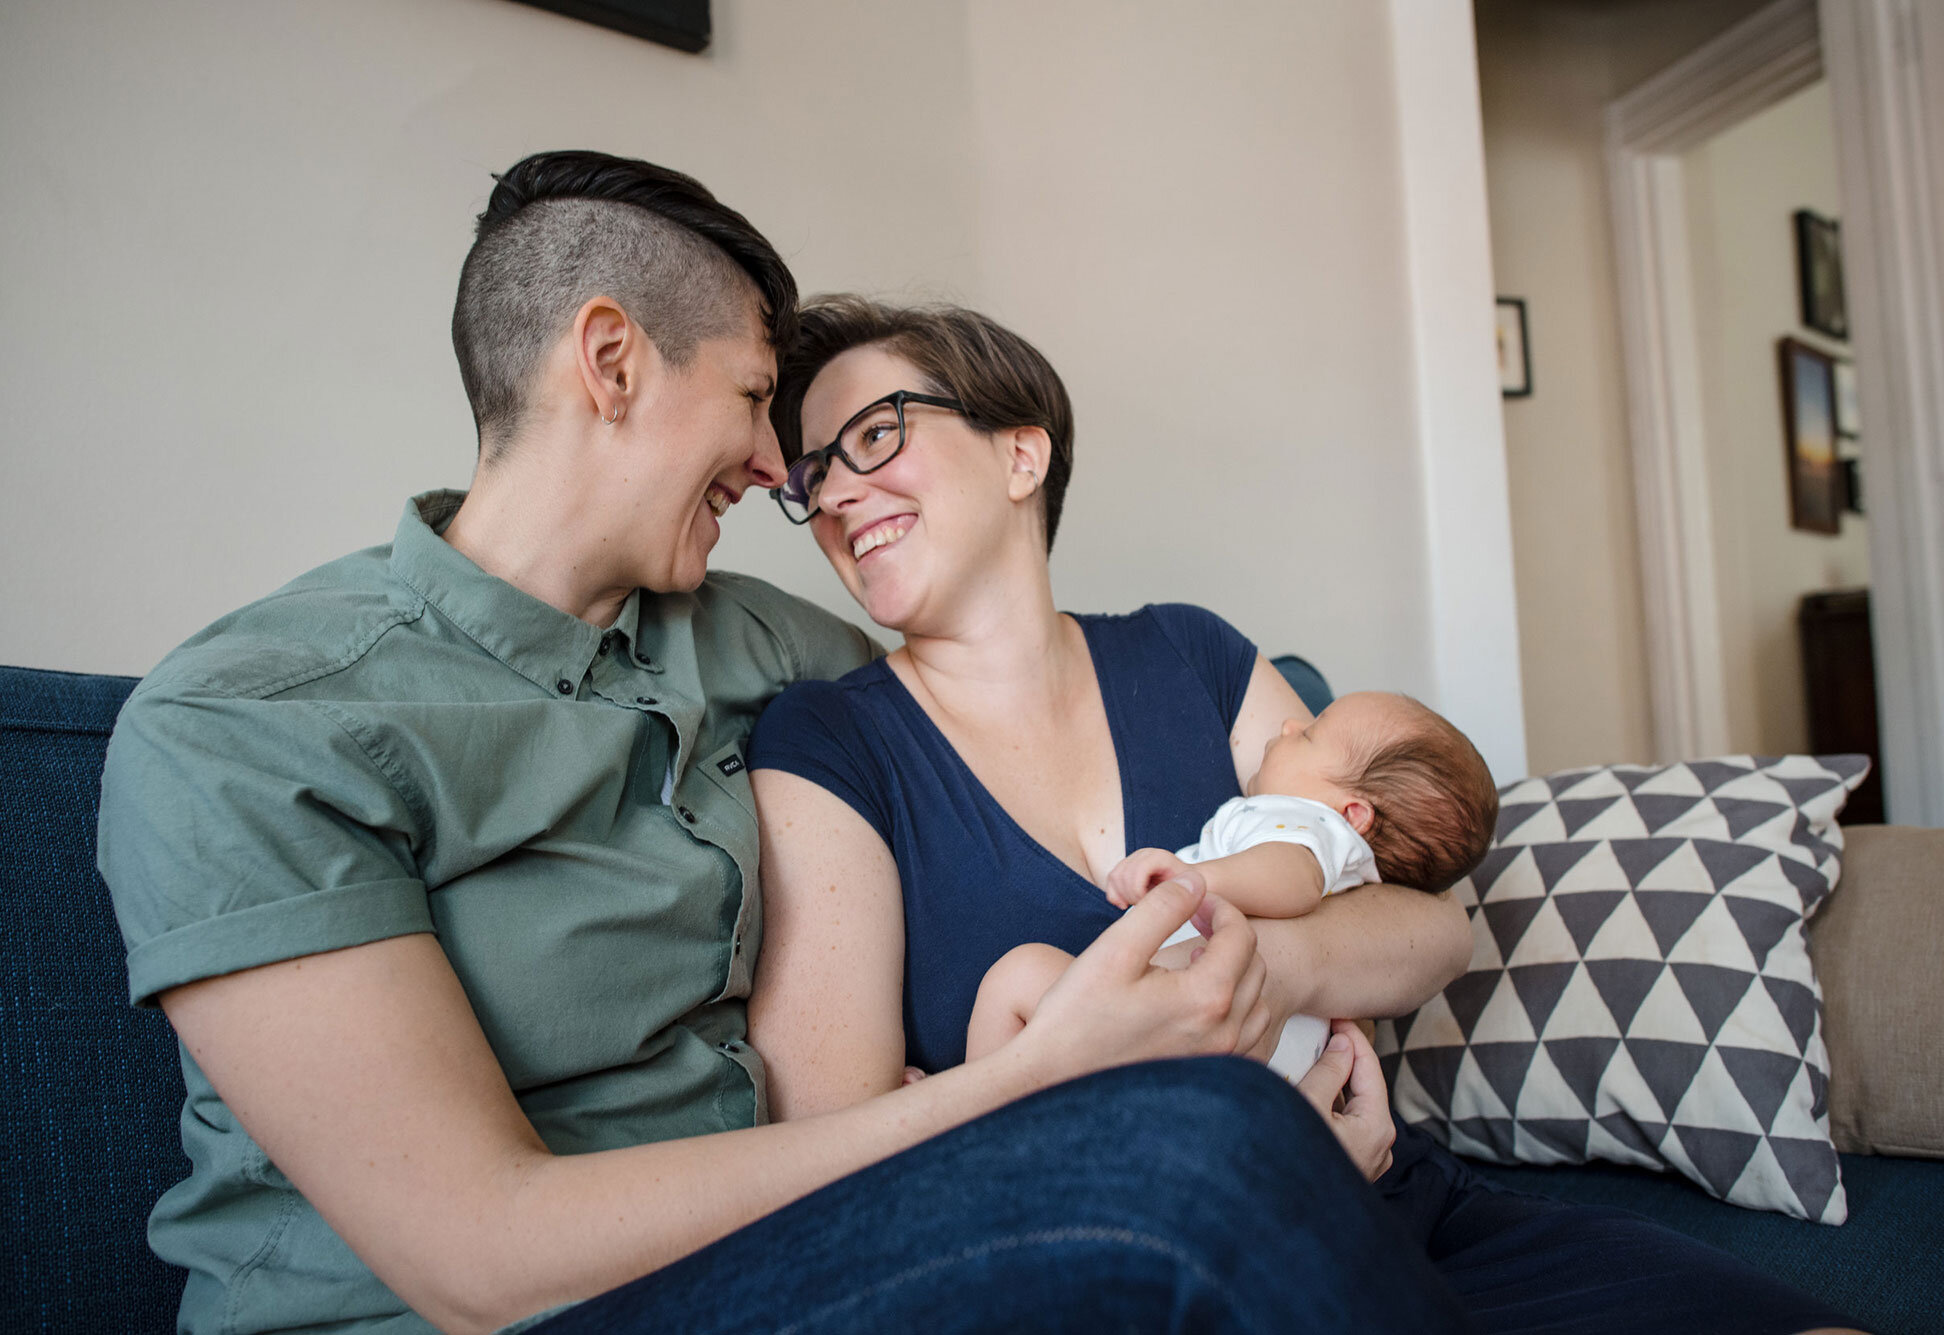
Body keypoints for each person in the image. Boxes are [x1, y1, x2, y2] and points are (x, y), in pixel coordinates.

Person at [96, 151, 1477, 1335]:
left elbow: (1003, 714)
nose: (782, 475)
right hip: (508, 1308)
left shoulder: (756, 646)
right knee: (1196, 1156)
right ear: (612, 359)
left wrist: (1276, 1019)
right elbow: (477, 1253)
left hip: (793, 1248)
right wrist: (1032, 1089)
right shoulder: (253, 723)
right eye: (762, 402)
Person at [745, 296, 1861, 1335]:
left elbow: (1426, 931)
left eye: (876, 435)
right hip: (1123, 1263)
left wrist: (1262, 988)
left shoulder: (1189, 655)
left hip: (1384, 1189)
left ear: (1019, 452)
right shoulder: (828, 744)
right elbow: (827, 1154)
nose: (834, 494)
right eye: (812, 471)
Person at [964, 690, 1499, 1081]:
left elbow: (1294, 881)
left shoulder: (1305, 824)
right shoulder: (1343, 859)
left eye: (1310, 734)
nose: (1290, 724)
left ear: (1353, 813)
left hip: (1191, 1008)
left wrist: (1196, 880)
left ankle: (963, 1127)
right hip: (1249, 1060)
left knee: (1017, 977)